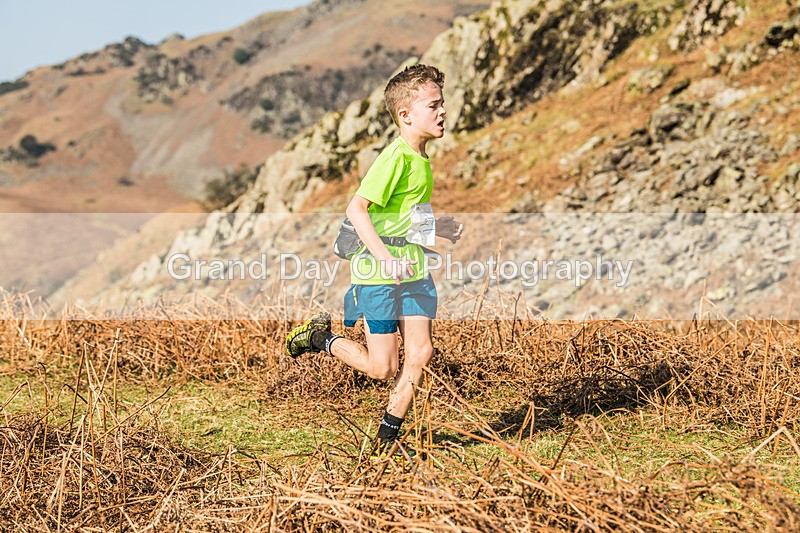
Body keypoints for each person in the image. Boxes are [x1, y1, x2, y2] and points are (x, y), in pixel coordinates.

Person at [284, 64, 463, 457]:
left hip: (414, 271)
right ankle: (319, 338)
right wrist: (385, 260)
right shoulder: (395, 157)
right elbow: (357, 209)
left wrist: (437, 229)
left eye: (442, 103)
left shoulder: (420, 158)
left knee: (421, 353)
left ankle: (385, 441)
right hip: (379, 276)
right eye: (434, 105)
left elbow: (399, 218)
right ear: (406, 115)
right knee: (382, 367)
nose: (443, 111)